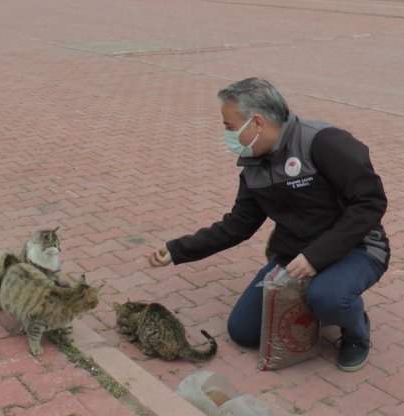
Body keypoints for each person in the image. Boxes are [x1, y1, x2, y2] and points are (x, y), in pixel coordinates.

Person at [147, 77, 390, 372]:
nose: (227, 133)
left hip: (357, 247)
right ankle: (321, 302)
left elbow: (370, 203)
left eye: (229, 126)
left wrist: (317, 256)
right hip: (294, 255)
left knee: (329, 297)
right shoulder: (252, 164)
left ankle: (355, 332)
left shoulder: (323, 141)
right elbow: (238, 225)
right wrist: (177, 250)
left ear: (257, 122)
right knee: (243, 332)